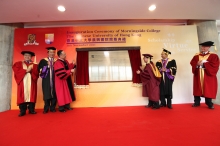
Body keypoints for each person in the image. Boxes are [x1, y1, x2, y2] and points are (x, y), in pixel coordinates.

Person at [190, 41, 219, 109]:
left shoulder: (213, 56)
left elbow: (215, 65)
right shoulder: (197, 55)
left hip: (208, 75)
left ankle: (209, 103)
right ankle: (197, 102)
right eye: (202, 46)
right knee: (197, 88)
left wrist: (204, 64)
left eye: (205, 47)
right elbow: (192, 62)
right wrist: (197, 64)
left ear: (209, 47)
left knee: (208, 89)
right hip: (198, 74)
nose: (203, 48)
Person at [12, 51, 39, 117]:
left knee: (32, 95)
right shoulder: (18, 63)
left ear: (31, 57)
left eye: (29, 56)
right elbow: (16, 71)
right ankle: (22, 111)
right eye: (26, 55)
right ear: (23, 56)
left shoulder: (35, 65)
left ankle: (31, 110)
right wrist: (26, 70)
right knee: (22, 96)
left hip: (31, 83)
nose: (27, 57)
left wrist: (32, 70)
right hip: (22, 83)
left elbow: (37, 74)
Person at [38, 47, 57, 114]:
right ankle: (46, 108)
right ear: (48, 53)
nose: (52, 53)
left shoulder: (56, 61)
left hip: (55, 80)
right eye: (50, 52)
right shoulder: (43, 61)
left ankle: (52, 108)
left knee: (54, 93)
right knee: (46, 93)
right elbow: (39, 70)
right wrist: (47, 66)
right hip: (46, 80)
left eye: (53, 52)